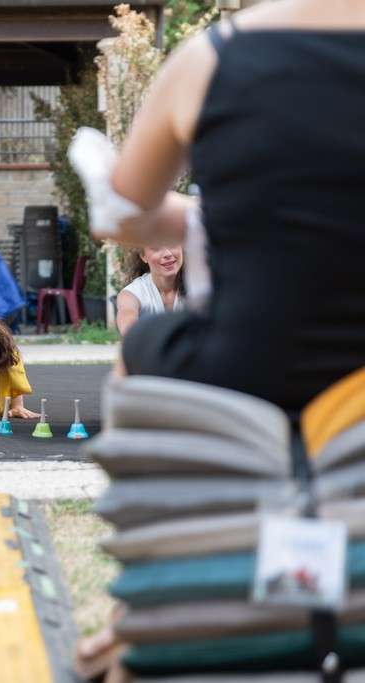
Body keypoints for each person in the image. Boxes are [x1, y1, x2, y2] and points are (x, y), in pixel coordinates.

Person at [70, 0, 365, 419]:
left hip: (249, 363)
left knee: (141, 345)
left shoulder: (210, 57)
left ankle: (151, 480)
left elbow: (122, 216)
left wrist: (225, 210)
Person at [115, 244, 184, 336]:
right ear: (143, 256)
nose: (167, 254)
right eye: (156, 248)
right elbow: (128, 325)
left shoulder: (201, 288)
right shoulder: (131, 294)